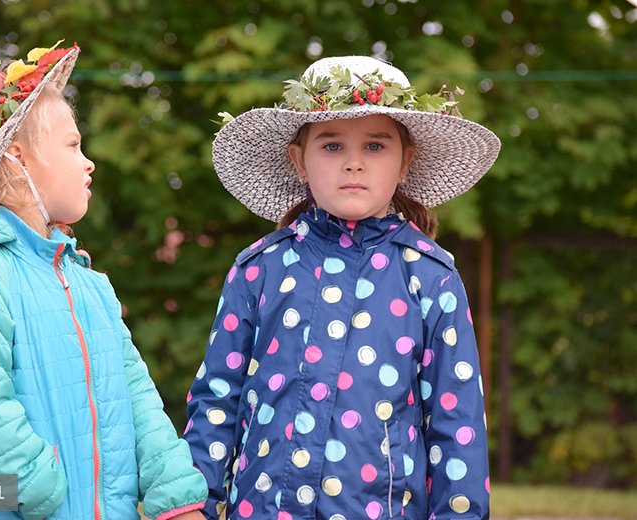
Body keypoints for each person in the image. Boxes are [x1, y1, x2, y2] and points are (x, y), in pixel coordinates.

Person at [183, 56, 501, 520]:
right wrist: (197, 503)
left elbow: (458, 423)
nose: (354, 163)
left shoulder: (432, 278)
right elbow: (217, 398)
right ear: (299, 161)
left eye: (375, 146)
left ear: (405, 162)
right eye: (332, 146)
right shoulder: (258, 269)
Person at [0, 43, 207, 520]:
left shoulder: (88, 282)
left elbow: (136, 396)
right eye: (73, 145)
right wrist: (41, 492)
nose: (89, 162)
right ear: (17, 158)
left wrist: (175, 493)